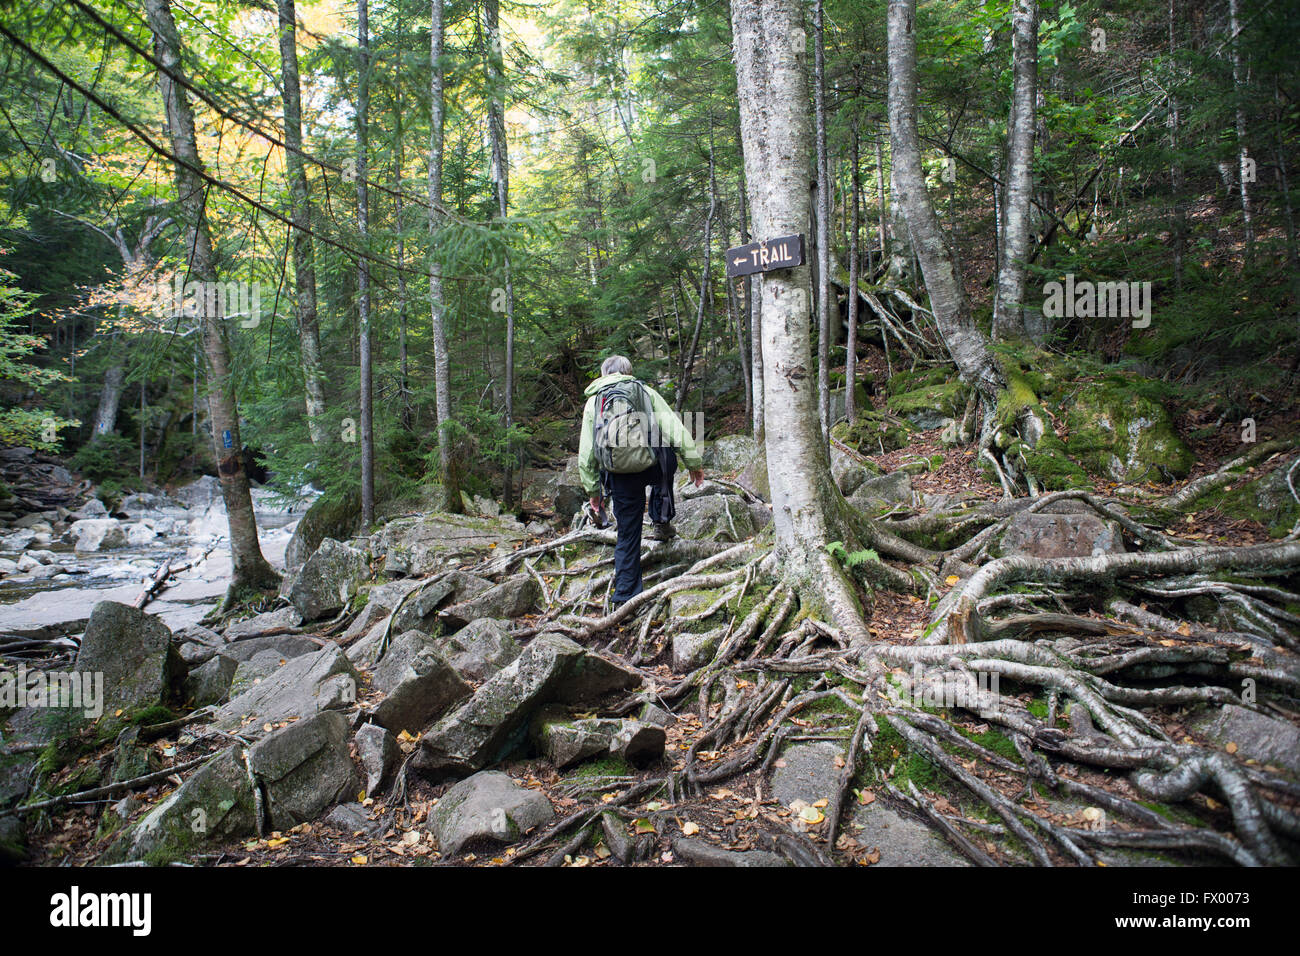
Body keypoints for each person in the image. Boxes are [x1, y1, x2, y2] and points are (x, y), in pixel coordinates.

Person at [577, 355, 704, 610]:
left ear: (604, 374)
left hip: (619, 474)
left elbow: (587, 452)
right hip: (652, 467)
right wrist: (693, 462)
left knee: (627, 533)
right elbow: (674, 428)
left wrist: (594, 491)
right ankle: (661, 519)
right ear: (628, 371)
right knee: (666, 457)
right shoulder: (645, 392)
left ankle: (625, 596)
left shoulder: (594, 402)